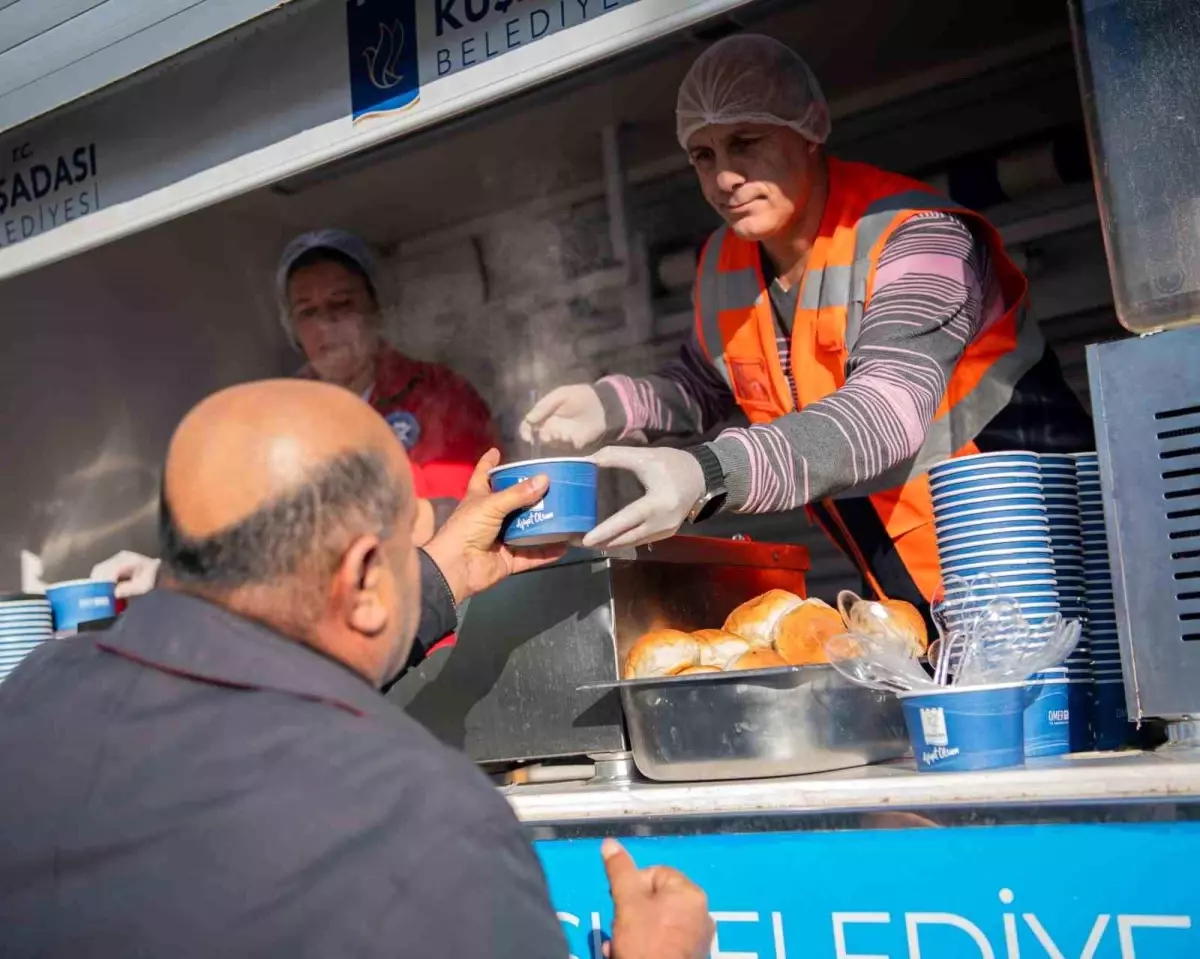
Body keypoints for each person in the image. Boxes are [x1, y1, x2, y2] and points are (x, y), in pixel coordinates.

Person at [0, 380, 714, 959]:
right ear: (366, 576)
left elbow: (277, 650)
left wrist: (438, 573)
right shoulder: (425, 825)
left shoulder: (33, 692)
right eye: (414, 537)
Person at [522, 34, 1093, 619]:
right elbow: (705, 382)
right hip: (903, 579)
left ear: (812, 126)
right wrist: (610, 405)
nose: (724, 178)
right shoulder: (724, 263)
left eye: (745, 142)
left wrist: (708, 473)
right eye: (704, 155)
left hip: (1035, 556)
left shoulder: (919, 237)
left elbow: (885, 415)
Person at [279, 228, 498, 540]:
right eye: (307, 312)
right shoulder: (280, 417)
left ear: (376, 308)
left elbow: (476, 509)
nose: (325, 324)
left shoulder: (442, 393)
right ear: (293, 329)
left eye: (341, 304)